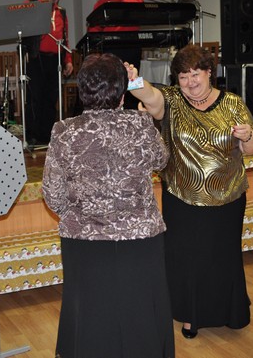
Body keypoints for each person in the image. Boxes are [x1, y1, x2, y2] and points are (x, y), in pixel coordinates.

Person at [127, 44, 253, 339]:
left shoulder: (232, 103)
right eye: (183, 77)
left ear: (209, 72)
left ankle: (230, 312)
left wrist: (247, 136)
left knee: (223, 258)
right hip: (183, 198)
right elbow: (150, 97)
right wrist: (134, 81)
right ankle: (191, 316)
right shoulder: (172, 101)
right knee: (188, 260)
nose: (190, 82)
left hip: (229, 198)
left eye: (195, 74)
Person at [42, 53, 174, 358]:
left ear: (82, 90)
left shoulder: (64, 131)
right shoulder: (141, 124)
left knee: (90, 310)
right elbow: (162, 159)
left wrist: (81, 216)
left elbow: (53, 194)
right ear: (121, 92)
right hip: (140, 238)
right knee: (141, 308)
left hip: (84, 241)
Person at [23, 0, 73, 146]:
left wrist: (68, 60)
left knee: (51, 99)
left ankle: (46, 135)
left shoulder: (61, 12)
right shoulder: (31, 6)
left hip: (55, 59)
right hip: (36, 58)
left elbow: (65, 38)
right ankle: (31, 135)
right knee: (34, 97)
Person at [88, 0, 144, 109]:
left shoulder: (136, 0)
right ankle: (112, 111)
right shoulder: (101, 4)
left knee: (132, 80)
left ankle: (132, 111)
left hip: (132, 46)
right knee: (113, 82)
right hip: (111, 48)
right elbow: (93, 29)